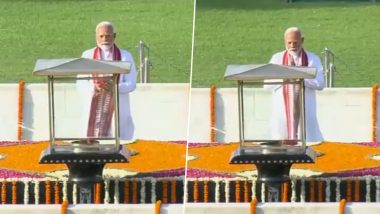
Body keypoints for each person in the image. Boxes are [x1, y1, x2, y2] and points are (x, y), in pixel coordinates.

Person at [77, 21, 137, 140]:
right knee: (92, 144)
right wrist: (94, 87)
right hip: (93, 105)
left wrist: (115, 88)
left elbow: (132, 84)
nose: (105, 39)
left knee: (119, 140)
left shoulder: (125, 56)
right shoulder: (87, 55)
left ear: (114, 36)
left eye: (108, 36)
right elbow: (80, 84)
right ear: (96, 36)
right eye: (101, 36)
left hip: (118, 106)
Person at [268, 27, 324, 142]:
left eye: (295, 42)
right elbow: (267, 84)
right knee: (280, 147)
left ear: (302, 40)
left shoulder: (313, 59)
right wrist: (286, 76)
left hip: (305, 111)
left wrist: (299, 76)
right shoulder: (277, 59)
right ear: (285, 41)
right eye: (289, 43)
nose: (292, 46)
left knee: (309, 145)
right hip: (282, 112)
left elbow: (320, 83)